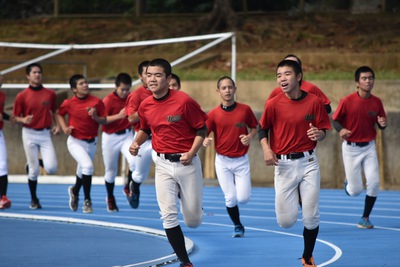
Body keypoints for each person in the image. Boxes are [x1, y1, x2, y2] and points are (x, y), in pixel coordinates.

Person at [129, 58, 207, 267]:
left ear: (168, 78)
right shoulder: (145, 105)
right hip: (162, 163)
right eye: (149, 75)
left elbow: (202, 128)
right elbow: (145, 129)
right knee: (168, 216)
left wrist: (192, 152)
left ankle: (194, 204)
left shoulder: (183, 101)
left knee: (192, 220)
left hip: (187, 163)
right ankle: (185, 262)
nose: (152, 79)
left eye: (158, 75)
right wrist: (136, 143)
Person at [258, 60, 331, 267]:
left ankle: (307, 256)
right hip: (283, 166)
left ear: (299, 77)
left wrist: (320, 133)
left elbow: (324, 129)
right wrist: (266, 149)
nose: (282, 78)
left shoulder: (315, 102)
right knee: (286, 222)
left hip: (309, 162)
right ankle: (297, 197)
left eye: (287, 74)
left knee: (311, 216)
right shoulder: (273, 103)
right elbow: (263, 129)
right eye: (279, 75)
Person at [331, 66, 387, 229]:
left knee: (374, 183)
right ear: (357, 82)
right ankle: (349, 183)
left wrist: (382, 124)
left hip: (369, 147)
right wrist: (341, 129)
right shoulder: (347, 101)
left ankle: (365, 217)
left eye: (370, 78)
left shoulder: (376, 102)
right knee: (355, 190)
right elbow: (334, 120)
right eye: (364, 78)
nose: (368, 81)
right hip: (350, 148)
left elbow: (381, 122)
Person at [203, 76, 258, 237]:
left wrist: (249, 137)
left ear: (235, 89)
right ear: (218, 91)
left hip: (241, 161)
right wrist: (205, 140)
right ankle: (238, 225)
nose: (227, 90)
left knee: (243, 199)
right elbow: (202, 134)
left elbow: (254, 127)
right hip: (222, 161)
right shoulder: (213, 114)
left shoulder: (245, 110)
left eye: (230, 87)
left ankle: (240, 195)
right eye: (224, 88)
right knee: (230, 198)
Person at [57, 74, 107, 213]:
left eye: (86, 82)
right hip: (75, 142)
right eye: (81, 84)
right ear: (74, 89)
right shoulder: (68, 103)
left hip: (92, 142)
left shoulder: (97, 101)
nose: (85, 85)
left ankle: (75, 190)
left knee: (82, 171)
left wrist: (95, 116)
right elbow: (60, 114)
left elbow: (103, 120)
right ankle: (87, 201)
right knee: (88, 167)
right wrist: (64, 128)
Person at [13, 63, 59, 209]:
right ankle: (34, 199)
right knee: (33, 171)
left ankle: (37, 162)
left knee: (51, 168)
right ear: (28, 76)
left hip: (45, 133)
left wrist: (57, 125)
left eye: (39, 72)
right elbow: (14, 117)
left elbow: (55, 111)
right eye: (34, 72)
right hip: (29, 133)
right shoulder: (22, 96)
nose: (37, 75)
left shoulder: (50, 93)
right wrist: (22, 119)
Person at [101, 73, 135, 212]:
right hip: (110, 137)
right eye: (122, 90)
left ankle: (127, 186)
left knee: (134, 162)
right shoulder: (108, 100)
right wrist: (119, 116)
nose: (125, 92)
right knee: (111, 171)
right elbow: (102, 120)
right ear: (116, 87)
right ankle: (110, 197)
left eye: (127, 89)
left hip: (126, 136)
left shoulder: (131, 98)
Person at [124, 60, 153, 209]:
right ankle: (134, 185)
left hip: (161, 139)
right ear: (141, 77)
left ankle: (181, 197)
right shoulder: (136, 95)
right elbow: (130, 118)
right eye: (147, 74)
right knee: (140, 175)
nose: (151, 78)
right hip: (143, 139)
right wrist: (147, 108)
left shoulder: (163, 92)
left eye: (154, 74)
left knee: (170, 168)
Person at [268, 54, 332, 115]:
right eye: (287, 64)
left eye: (294, 64)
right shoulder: (276, 92)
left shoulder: (311, 88)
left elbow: (327, 109)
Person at [0, 74, 13, 209]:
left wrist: (10, 118)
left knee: (2, 164)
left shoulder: (2, 95)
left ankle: (3, 197)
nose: (2, 80)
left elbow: (1, 114)